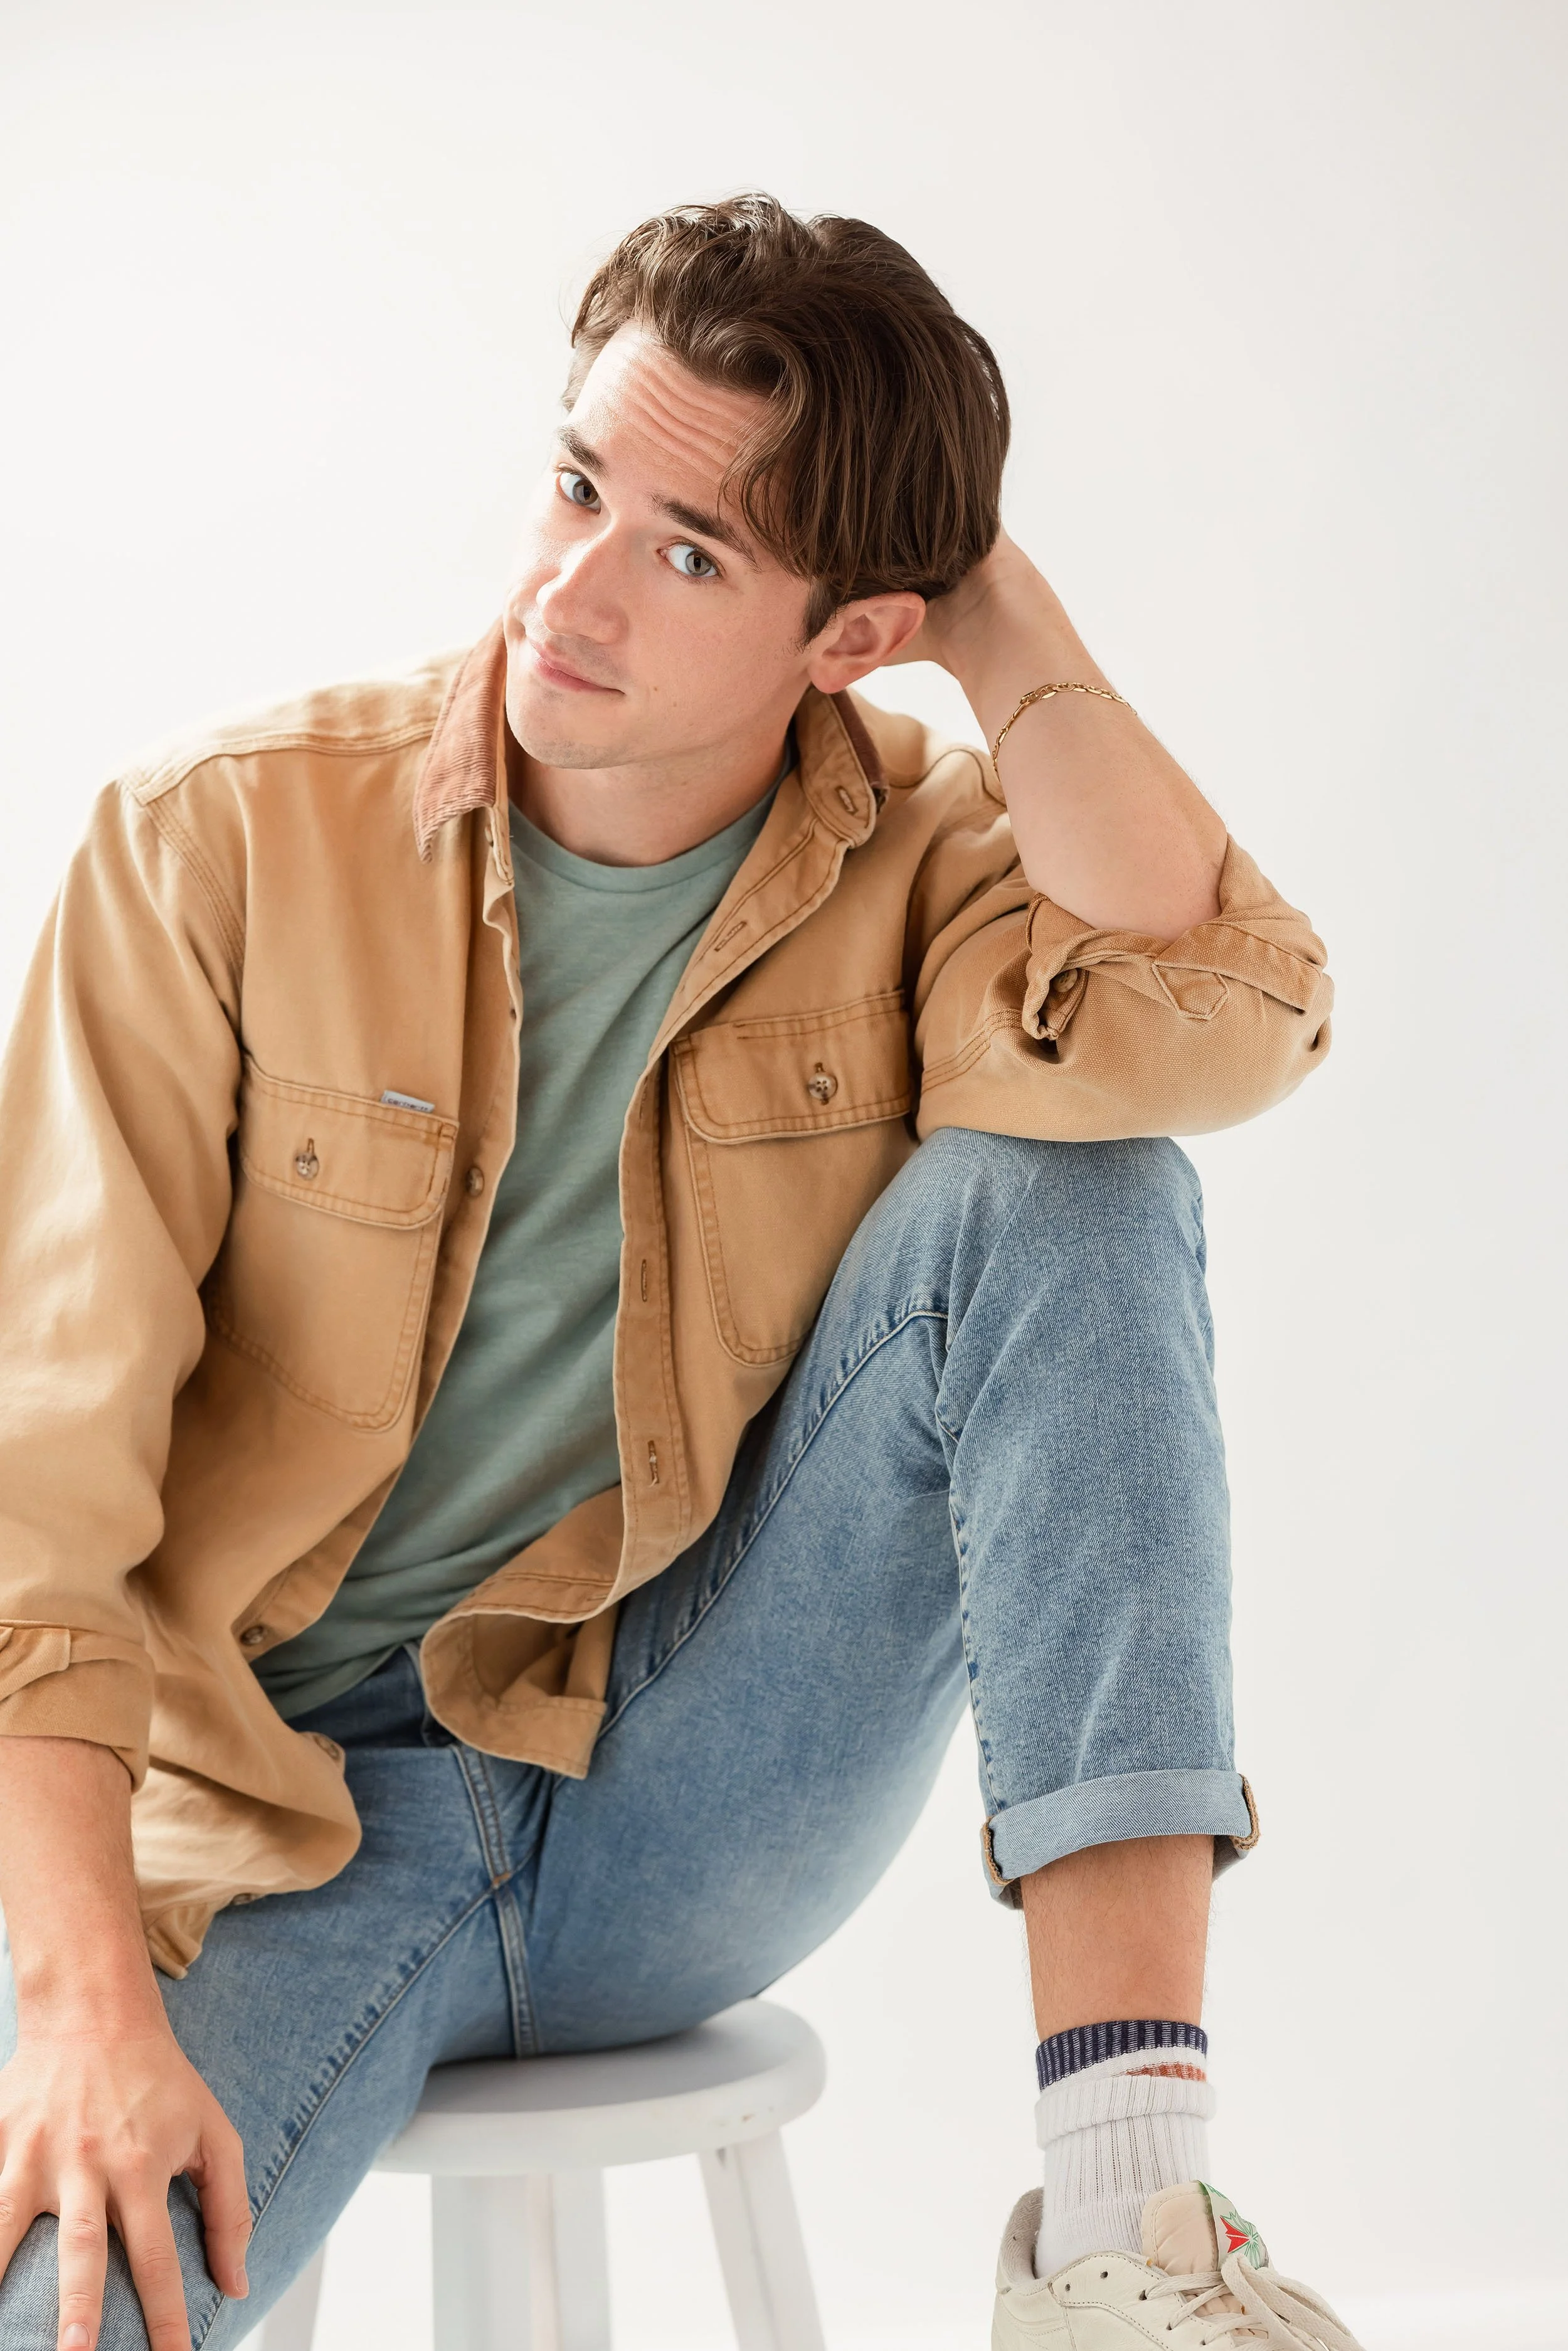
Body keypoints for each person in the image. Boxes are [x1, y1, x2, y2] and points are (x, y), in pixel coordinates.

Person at [0, 193, 1358, 2351]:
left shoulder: (929, 858)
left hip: (682, 1785)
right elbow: (32, 1483)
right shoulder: (215, 845)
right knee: (58, 2305)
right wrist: (73, 2007)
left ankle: (1127, 2225)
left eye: (691, 550)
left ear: (852, 631)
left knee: (1072, 1183)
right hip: (271, 1832)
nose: (574, 588)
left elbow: (1219, 1013)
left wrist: (997, 619)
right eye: (575, 486)